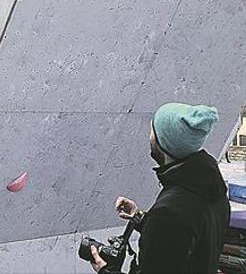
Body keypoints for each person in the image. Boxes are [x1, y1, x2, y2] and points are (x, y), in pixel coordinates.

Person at [89, 103, 230, 274]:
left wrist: (106, 272)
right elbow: (185, 241)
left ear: (165, 144)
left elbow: (173, 227)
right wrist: (142, 219)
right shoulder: (213, 191)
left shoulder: (168, 213)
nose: (150, 138)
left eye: (152, 133)